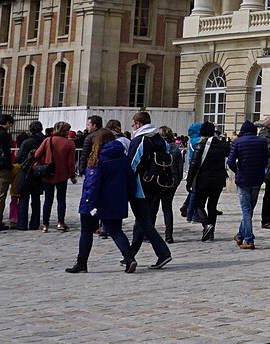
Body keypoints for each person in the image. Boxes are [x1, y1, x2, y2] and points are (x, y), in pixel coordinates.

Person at [66, 129, 136, 274]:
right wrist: (129, 196)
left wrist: (89, 202)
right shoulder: (123, 157)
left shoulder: (98, 158)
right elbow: (131, 180)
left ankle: (81, 263)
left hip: (97, 201)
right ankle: (129, 258)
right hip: (116, 200)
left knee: (86, 232)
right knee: (116, 231)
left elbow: (93, 183)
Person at [124, 112, 173, 269]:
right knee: (142, 220)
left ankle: (163, 253)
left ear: (138, 123)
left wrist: (125, 183)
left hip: (141, 185)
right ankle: (130, 255)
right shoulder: (160, 140)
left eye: (134, 124)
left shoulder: (140, 140)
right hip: (157, 183)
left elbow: (132, 164)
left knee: (144, 221)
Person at [226, 120, 269, 250]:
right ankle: (240, 235)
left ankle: (249, 239)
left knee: (246, 209)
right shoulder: (262, 142)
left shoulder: (238, 142)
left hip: (243, 179)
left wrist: (238, 171)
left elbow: (230, 162)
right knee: (249, 209)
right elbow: (265, 160)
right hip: (257, 178)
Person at [185, 121, 229, 241]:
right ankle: (210, 233)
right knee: (212, 206)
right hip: (218, 180)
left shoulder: (200, 146)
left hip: (203, 180)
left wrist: (189, 182)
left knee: (198, 205)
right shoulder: (222, 145)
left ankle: (206, 225)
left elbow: (194, 165)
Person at [37, 120, 78, 232]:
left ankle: (45, 224)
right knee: (61, 199)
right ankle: (60, 222)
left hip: (48, 173)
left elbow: (37, 154)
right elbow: (70, 162)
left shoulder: (48, 140)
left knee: (48, 200)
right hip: (62, 174)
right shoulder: (69, 143)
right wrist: (72, 175)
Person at [152, 126, 183, 244]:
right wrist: (177, 181)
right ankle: (169, 235)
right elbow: (180, 168)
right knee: (167, 209)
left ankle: (150, 233)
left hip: (157, 180)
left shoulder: (156, 148)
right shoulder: (176, 149)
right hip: (171, 181)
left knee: (153, 208)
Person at [14, 121, 45, 232]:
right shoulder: (45, 141)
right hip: (40, 171)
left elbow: (18, 159)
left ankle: (22, 224)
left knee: (24, 198)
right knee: (36, 199)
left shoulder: (27, 142)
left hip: (26, 172)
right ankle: (34, 224)